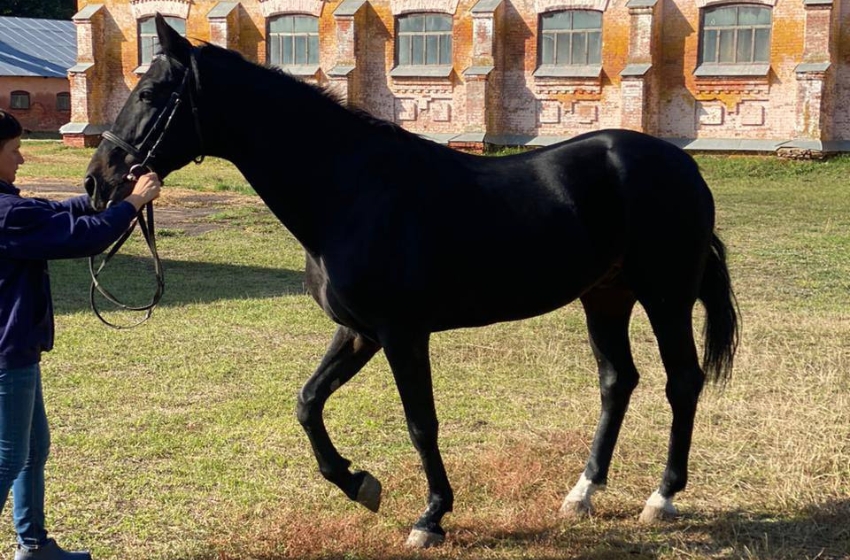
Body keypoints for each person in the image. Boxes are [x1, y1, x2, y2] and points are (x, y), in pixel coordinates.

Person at [0, 109, 161, 560]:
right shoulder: (5, 215)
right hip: (6, 354)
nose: (22, 160)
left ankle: (33, 546)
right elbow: (79, 237)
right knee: (10, 457)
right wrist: (134, 204)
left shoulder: (10, 207)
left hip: (18, 349)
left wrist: (113, 195)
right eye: (13, 151)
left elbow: (54, 213)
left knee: (32, 450)